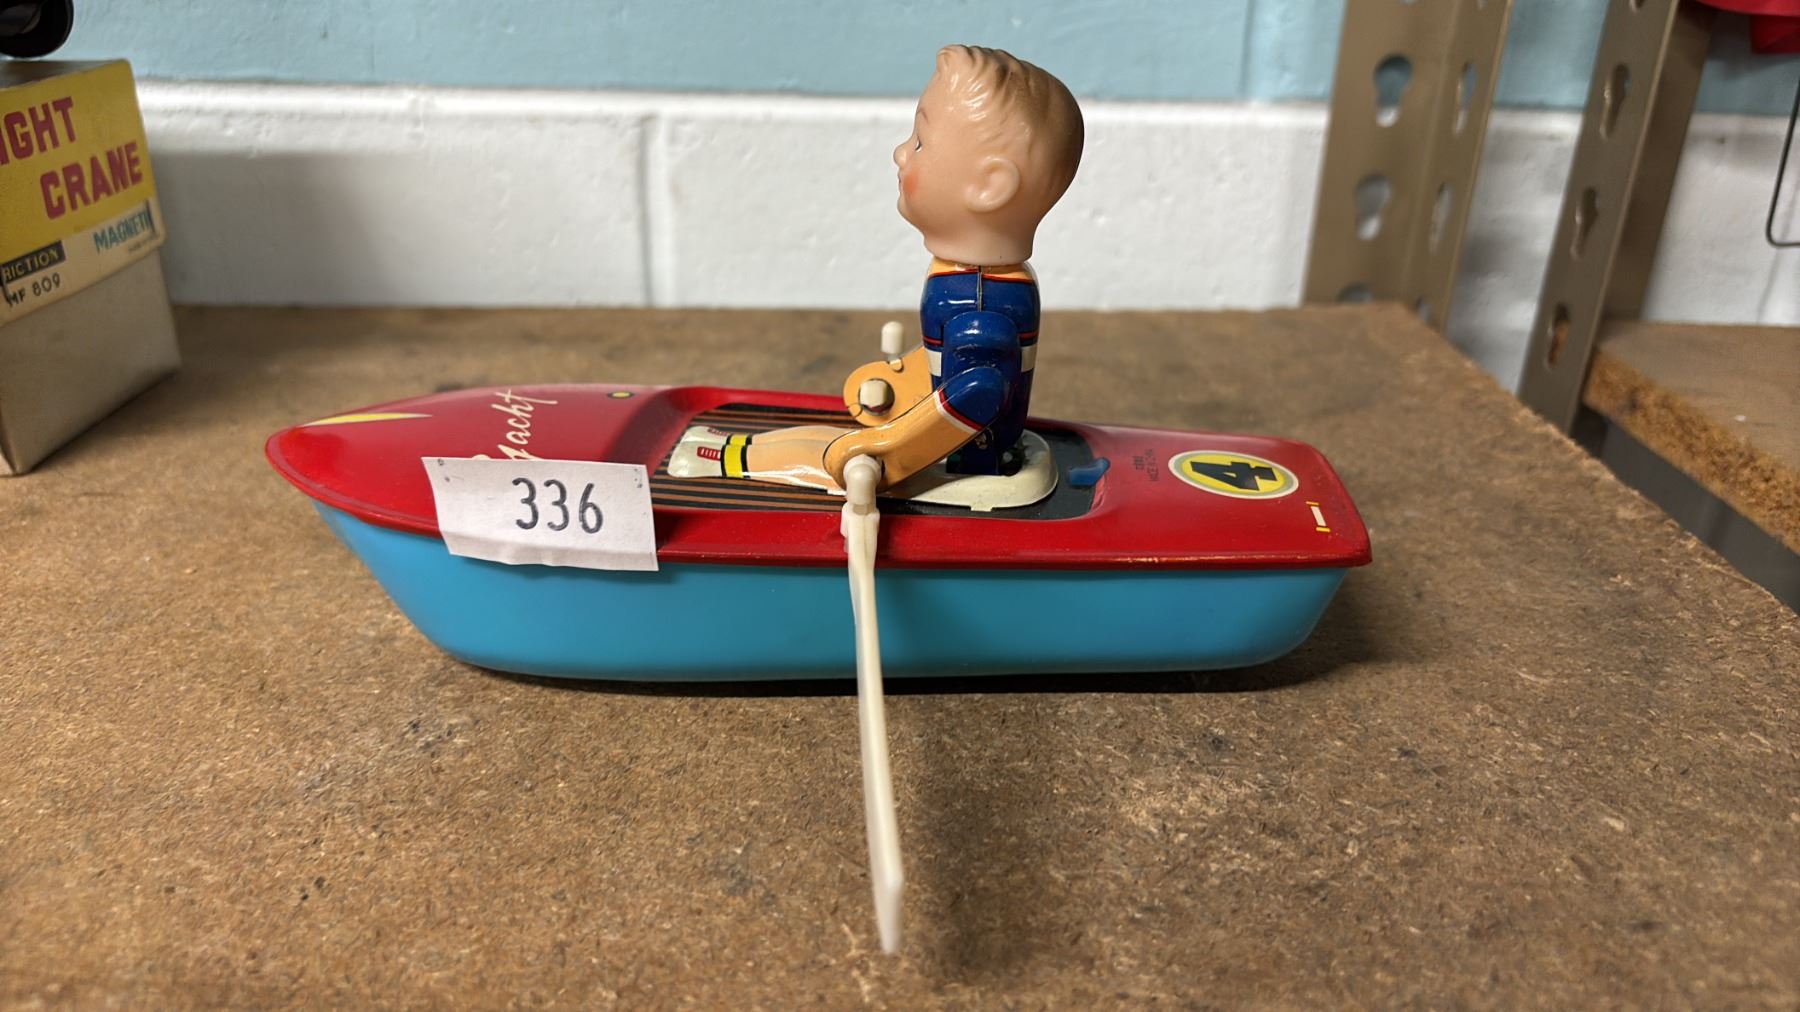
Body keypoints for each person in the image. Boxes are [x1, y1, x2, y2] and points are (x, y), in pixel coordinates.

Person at [672, 44, 1083, 491]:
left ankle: (721, 458)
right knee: (829, 442)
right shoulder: (979, 282)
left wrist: (887, 450)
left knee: (829, 457)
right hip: (951, 439)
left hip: (967, 460)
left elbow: (978, 393)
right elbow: (957, 371)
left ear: (990, 185)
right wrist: (905, 383)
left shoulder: (981, 302)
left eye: (920, 141)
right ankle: (729, 450)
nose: (900, 152)